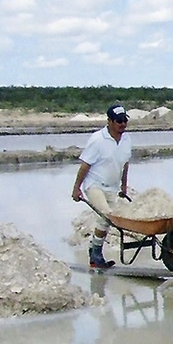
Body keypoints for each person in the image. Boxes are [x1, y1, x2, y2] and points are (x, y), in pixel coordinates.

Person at [72, 104, 132, 269]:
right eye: (119, 121)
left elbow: (125, 164)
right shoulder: (98, 140)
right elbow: (85, 165)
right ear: (110, 121)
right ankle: (96, 254)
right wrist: (76, 188)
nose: (122, 125)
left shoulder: (126, 140)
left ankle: (94, 250)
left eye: (124, 121)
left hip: (112, 187)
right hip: (95, 185)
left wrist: (124, 185)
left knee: (112, 219)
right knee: (106, 216)